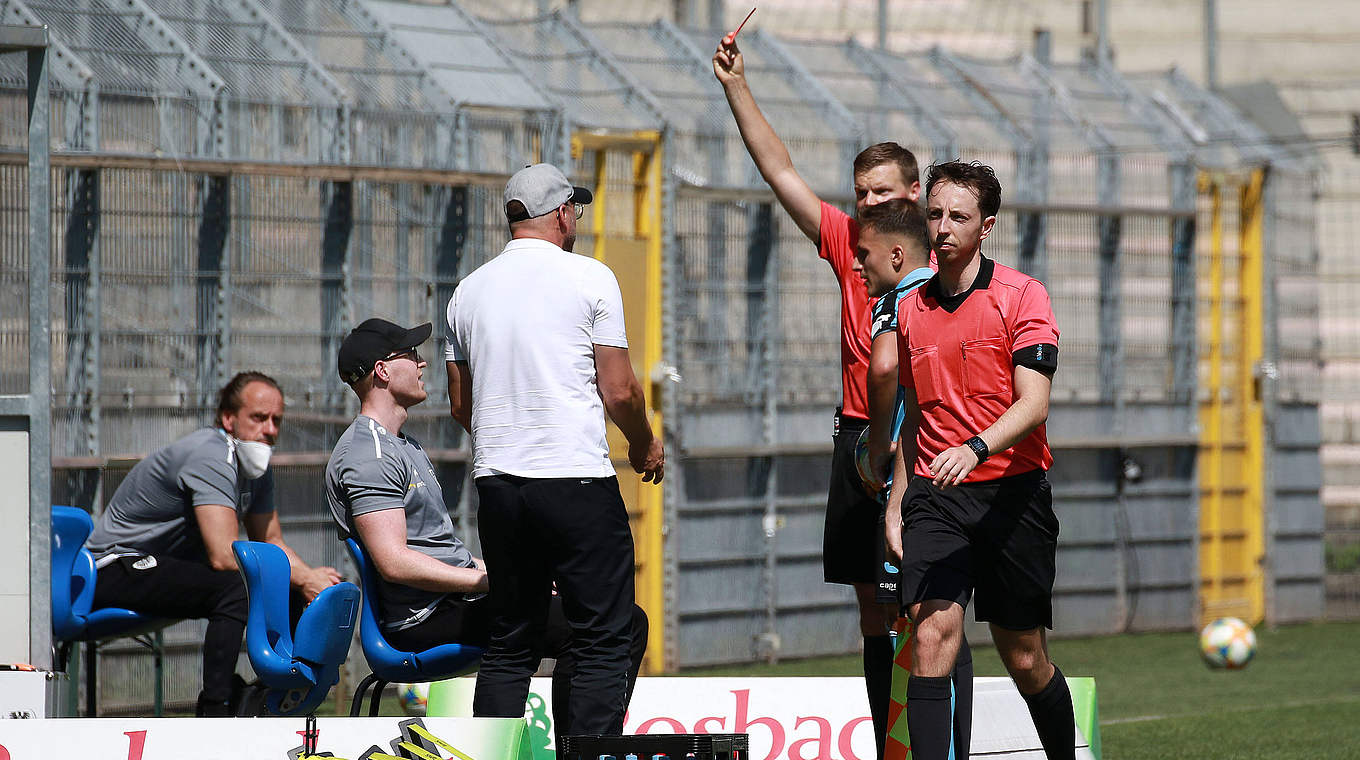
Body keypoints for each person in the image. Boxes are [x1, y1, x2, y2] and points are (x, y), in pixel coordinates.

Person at [713, 33, 946, 759]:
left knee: (929, 604)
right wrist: (736, 86)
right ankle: (889, 742)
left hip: (918, 443)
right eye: (862, 192)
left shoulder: (943, 265)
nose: (869, 202)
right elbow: (778, 169)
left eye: (884, 192)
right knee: (872, 607)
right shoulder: (850, 244)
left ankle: (941, 739)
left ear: (914, 194)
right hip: (856, 437)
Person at [324, 318, 648, 727]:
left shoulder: (403, 445)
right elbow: (395, 562)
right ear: (383, 371)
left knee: (602, 615)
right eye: (411, 354)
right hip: (425, 619)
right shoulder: (368, 454)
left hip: (452, 601)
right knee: (606, 627)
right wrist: (493, 582)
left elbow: (437, 551)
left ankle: (578, 744)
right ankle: (581, 748)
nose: (422, 364)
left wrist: (509, 573)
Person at [444, 163, 664, 736]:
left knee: (511, 639)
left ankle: (490, 754)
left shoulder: (467, 291)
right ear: (564, 213)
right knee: (602, 635)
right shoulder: (590, 278)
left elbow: (462, 407)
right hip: (574, 481)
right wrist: (644, 446)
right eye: (576, 212)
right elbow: (620, 391)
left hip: (497, 485)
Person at [886, 161, 1073, 760]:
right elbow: (911, 418)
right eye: (934, 214)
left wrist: (975, 447)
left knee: (1024, 657)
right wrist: (897, 503)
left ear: (985, 226)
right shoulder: (907, 308)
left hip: (1012, 495)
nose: (941, 228)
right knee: (933, 633)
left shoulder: (1022, 295)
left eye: (957, 217)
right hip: (937, 497)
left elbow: (1035, 404)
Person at [85, 371, 341, 717]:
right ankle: (216, 711)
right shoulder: (212, 455)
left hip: (161, 567)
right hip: (113, 566)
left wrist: (312, 579)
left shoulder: (256, 465)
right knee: (235, 586)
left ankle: (281, 694)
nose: (270, 429)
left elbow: (272, 542)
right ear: (228, 418)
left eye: (276, 420)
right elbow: (224, 556)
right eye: (258, 417)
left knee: (294, 585)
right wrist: (301, 576)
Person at [854, 199, 973, 758]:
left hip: (917, 474)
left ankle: (914, 751)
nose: (858, 267)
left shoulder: (901, 300)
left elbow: (883, 368)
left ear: (897, 255)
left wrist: (880, 447)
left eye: (865, 256)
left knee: (917, 621)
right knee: (947, 623)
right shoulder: (952, 292)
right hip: (963, 472)